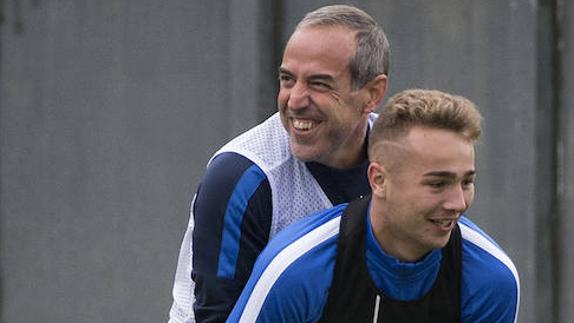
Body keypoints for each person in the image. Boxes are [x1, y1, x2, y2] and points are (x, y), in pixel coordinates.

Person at [169, 5, 390, 322]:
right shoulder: (240, 176)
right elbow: (219, 318)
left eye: (319, 83)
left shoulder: (402, 160)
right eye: (287, 79)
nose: (295, 100)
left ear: (372, 93)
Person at [227, 89, 521, 323]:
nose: (458, 203)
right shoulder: (296, 270)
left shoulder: (491, 278)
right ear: (378, 179)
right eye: (437, 184)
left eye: (466, 182)